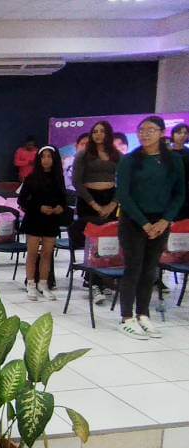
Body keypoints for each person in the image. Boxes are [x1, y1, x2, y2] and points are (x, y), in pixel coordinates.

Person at [115, 116, 186, 340]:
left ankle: (143, 314)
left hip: (161, 221)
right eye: (141, 130)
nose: (145, 134)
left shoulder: (173, 160)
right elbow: (123, 195)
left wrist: (165, 220)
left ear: (162, 132)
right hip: (134, 221)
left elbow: (180, 193)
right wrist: (144, 223)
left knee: (150, 269)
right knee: (133, 267)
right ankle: (127, 317)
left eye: (151, 130)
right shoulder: (129, 160)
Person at [70, 121, 122, 305]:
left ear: (108, 134)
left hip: (110, 201)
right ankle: (94, 282)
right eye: (95, 131)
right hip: (88, 200)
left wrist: (113, 204)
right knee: (93, 242)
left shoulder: (116, 155)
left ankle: (102, 279)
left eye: (102, 131)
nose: (98, 134)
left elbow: (123, 182)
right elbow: (76, 181)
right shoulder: (83, 155)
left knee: (108, 240)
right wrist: (94, 204)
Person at [18, 146, 68, 301]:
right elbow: (22, 200)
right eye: (43, 157)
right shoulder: (31, 178)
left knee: (47, 254)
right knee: (32, 254)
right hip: (34, 219)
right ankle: (31, 284)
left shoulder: (58, 179)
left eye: (49, 157)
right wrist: (39, 207)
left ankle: (43, 283)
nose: (46, 160)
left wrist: (61, 207)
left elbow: (64, 200)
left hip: (51, 220)